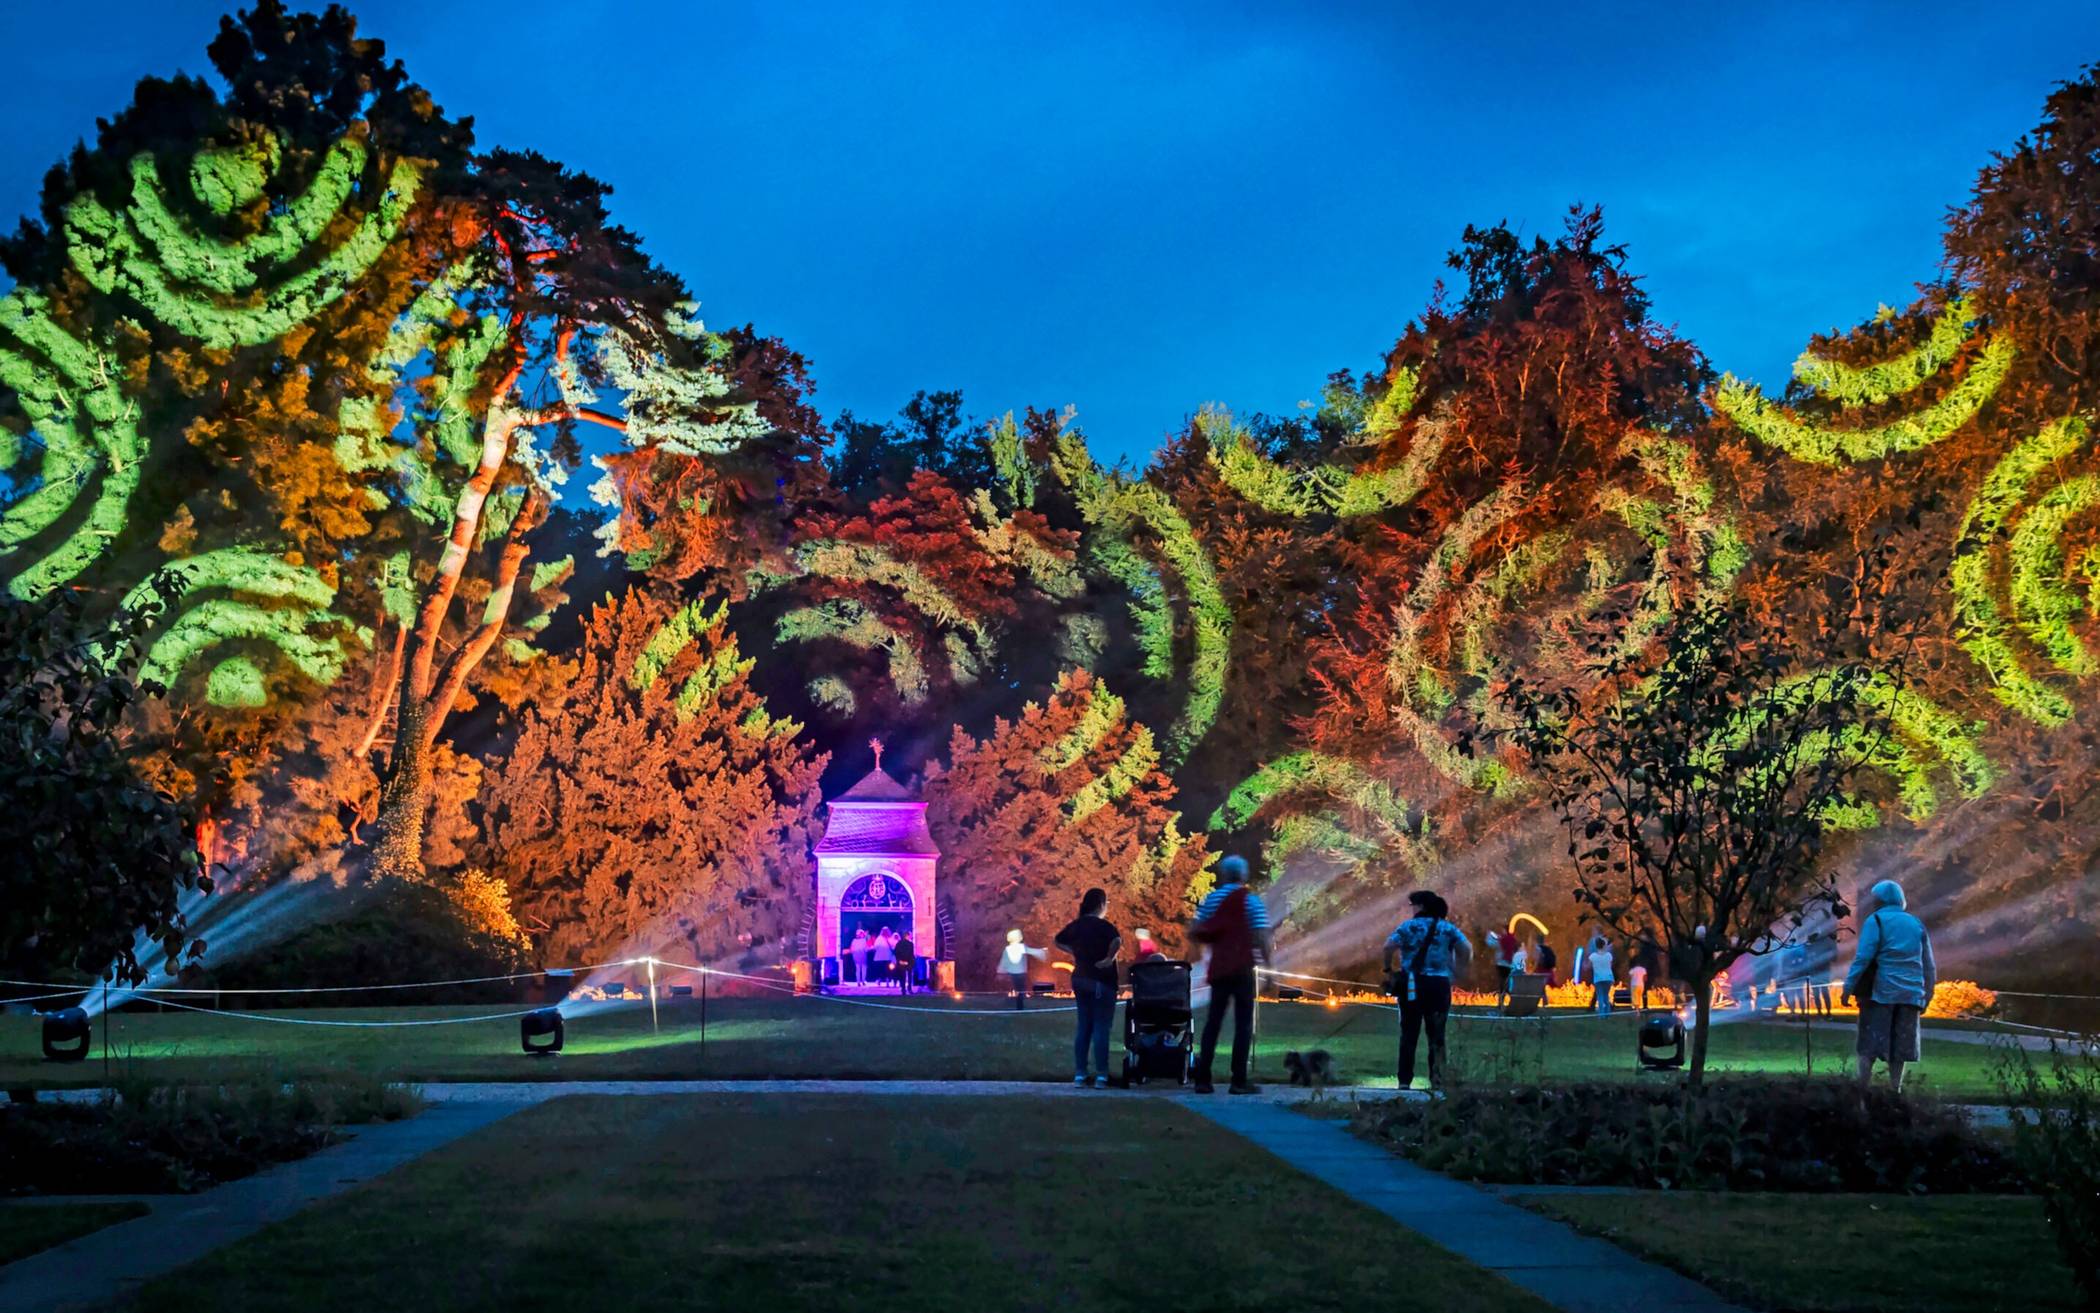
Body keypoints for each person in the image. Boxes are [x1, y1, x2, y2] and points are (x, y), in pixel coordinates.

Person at [1842, 879, 1938, 1093]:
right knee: (1900, 1050)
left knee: (1869, 1046)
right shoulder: (1916, 924)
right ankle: (1896, 1092)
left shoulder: (1875, 921)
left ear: (1879, 901)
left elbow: (1863, 959)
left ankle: (1862, 1092)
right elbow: (1929, 965)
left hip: (1881, 994)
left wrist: (1848, 988)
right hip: (1910, 995)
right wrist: (1927, 995)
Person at [1189, 854, 1273, 1095]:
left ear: (1224, 874)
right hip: (1243, 969)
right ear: (1243, 875)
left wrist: (1205, 954)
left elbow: (1195, 930)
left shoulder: (1212, 899)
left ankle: (1203, 1078)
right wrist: (1267, 968)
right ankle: (1238, 1080)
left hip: (1219, 968)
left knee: (1213, 1022)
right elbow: (1261, 937)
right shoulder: (1252, 901)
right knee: (1243, 1025)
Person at [1382, 891, 1472, 1090]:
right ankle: (1437, 1079)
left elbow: (1388, 946)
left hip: (1412, 985)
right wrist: (1458, 970)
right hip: (1439, 985)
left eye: (1413, 904)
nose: (1412, 908)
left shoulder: (1408, 927)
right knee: (1437, 1034)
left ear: (1421, 906)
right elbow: (1466, 948)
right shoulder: (1447, 928)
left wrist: (1388, 969)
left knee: (1409, 1033)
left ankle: (1404, 1081)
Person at [1056, 888, 1122, 1087]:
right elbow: (1117, 940)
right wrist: (1108, 959)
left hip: (1080, 979)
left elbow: (1058, 940)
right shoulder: (1103, 926)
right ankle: (1102, 1075)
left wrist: (1076, 953)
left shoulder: (1077, 925)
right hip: (1101, 980)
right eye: (1106, 903)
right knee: (1101, 1027)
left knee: (1084, 1026)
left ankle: (1080, 1074)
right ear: (1101, 904)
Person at [997, 929, 1038, 1009]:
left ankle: (1017, 1004)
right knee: (1020, 989)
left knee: (1019, 989)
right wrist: (1041, 953)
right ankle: (1018, 1005)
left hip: (1015, 973)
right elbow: (1032, 951)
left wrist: (1000, 971)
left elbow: (1003, 961)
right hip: (1019, 973)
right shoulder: (1020, 947)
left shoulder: (1010, 948)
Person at [1490, 923, 1518, 1008]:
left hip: (1501, 963)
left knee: (1502, 982)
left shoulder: (1503, 939)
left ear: (1505, 930)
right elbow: (1515, 949)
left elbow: (1493, 945)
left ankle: (1501, 1002)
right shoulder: (1513, 939)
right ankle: (1508, 998)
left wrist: (1492, 936)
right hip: (1509, 964)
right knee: (1506, 982)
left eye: (1503, 930)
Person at [1588, 935, 1616, 1013]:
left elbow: (1588, 965)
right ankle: (1607, 1013)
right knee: (1606, 996)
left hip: (1598, 978)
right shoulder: (1609, 955)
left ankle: (1601, 1015)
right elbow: (1610, 965)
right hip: (1608, 978)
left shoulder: (1593, 956)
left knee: (1600, 996)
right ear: (1604, 945)